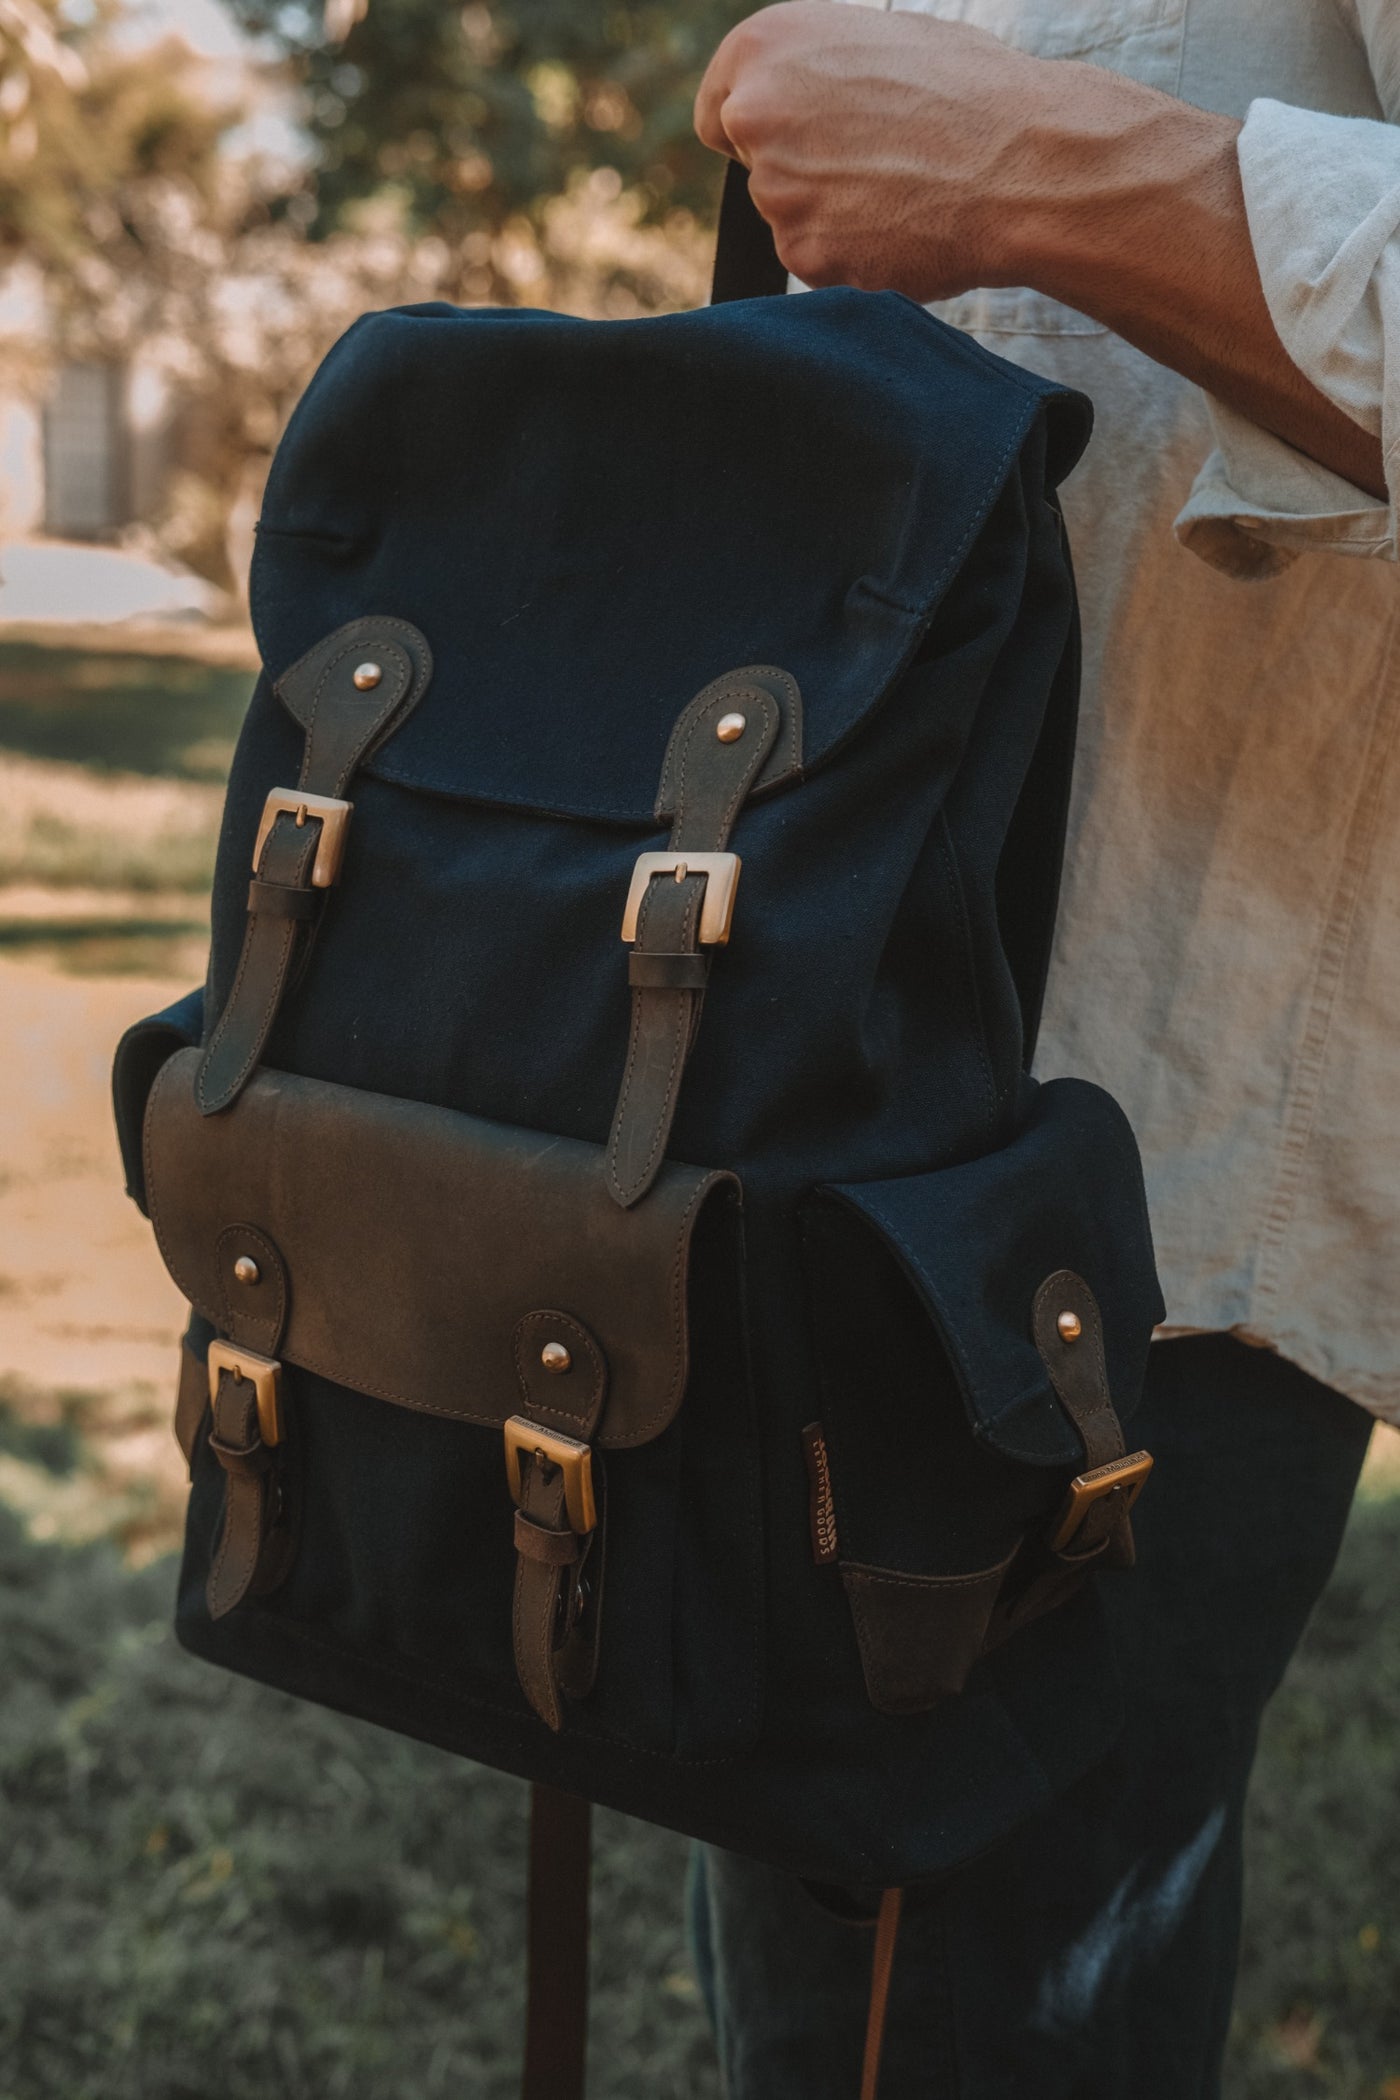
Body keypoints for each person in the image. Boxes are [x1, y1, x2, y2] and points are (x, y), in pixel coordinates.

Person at [687, 4, 1400, 2094]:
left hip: (1113, 1198)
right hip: (821, 1092)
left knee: (955, 2015)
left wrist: (1038, 166)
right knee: (830, 2006)